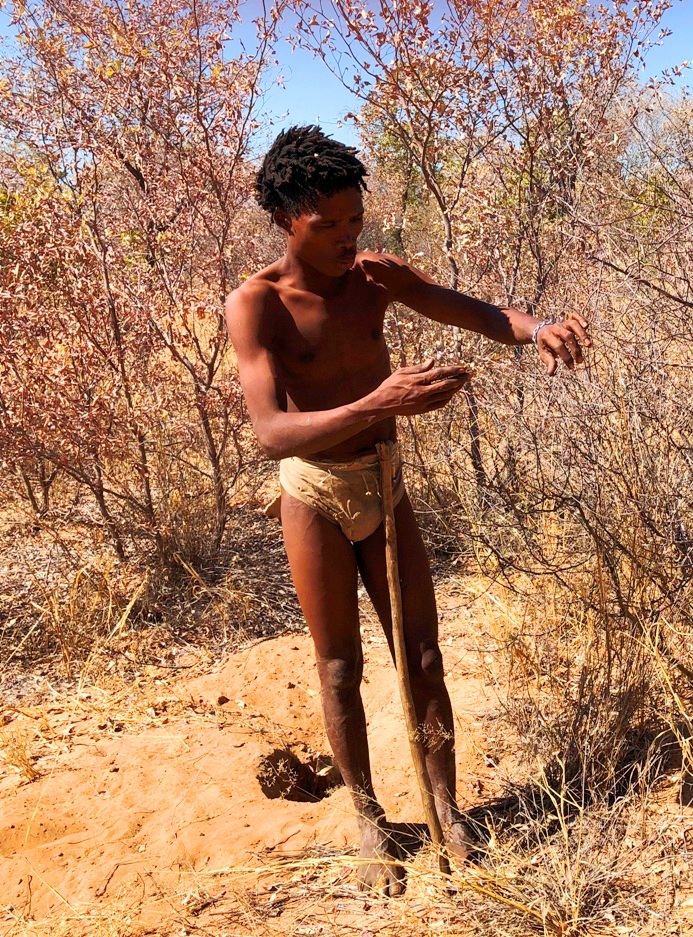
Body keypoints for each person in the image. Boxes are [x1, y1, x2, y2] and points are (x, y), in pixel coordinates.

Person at [225, 125, 589, 896]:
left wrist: (538, 329)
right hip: (314, 492)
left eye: (356, 219)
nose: (348, 238)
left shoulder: (375, 277)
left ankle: (447, 810)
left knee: (422, 655)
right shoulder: (256, 305)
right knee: (339, 666)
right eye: (328, 224)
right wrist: (379, 402)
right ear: (286, 218)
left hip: (383, 481)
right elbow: (270, 432)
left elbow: (478, 313)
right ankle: (368, 818)